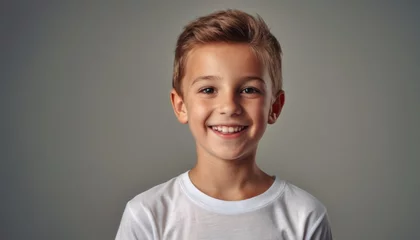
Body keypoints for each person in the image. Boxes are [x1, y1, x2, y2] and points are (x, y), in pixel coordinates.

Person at [115, 9, 333, 240]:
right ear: (181, 106)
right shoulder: (148, 215)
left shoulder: (305, 216)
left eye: (249, 90)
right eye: (208, 90)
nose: (229, 106)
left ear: (274, 106)